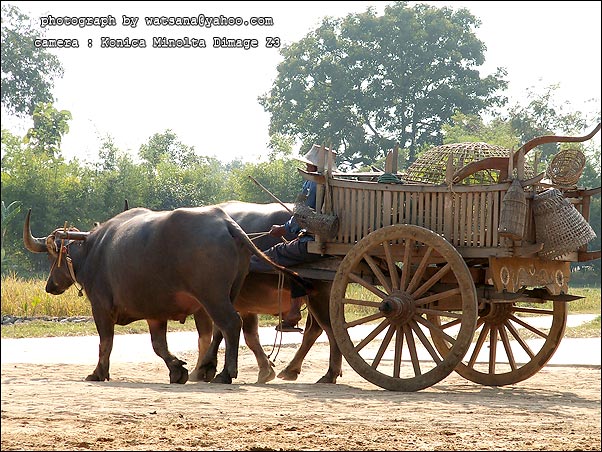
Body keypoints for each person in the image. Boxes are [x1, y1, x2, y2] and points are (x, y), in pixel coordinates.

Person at [249, 144, 334, 332]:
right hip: (330, 241)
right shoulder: (334, 182)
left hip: (312, 242)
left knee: (264, 258)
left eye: (309, 164)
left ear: (313, 166)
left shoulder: (314, 183)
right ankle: (294, 309)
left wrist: (284, 229)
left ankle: (242, 283)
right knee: (297, 264)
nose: (307, 168)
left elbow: (302, 215)